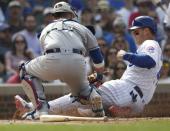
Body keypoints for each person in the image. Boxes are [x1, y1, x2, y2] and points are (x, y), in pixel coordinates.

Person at [15, 15, 162, 119]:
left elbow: (149, 61)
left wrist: (126, 55)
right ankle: (102, 110)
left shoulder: (151, 44)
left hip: (127, 90)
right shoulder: (150, 47)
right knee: (89, 98)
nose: (134, 34)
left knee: (84, 93)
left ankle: (32, 107)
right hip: (137, 100)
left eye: (136, 31)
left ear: (147, 31)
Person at [18, 1, 105, 119]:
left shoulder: (45, 29)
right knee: (82, 90)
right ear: (70, 14)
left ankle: (41, 110)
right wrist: (99, 75)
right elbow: (97, 56)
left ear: (54, 16)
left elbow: (44, 50)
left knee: (24, 70)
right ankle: (93, 96)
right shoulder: (82, 27)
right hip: (78, 62)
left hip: (53, 59)